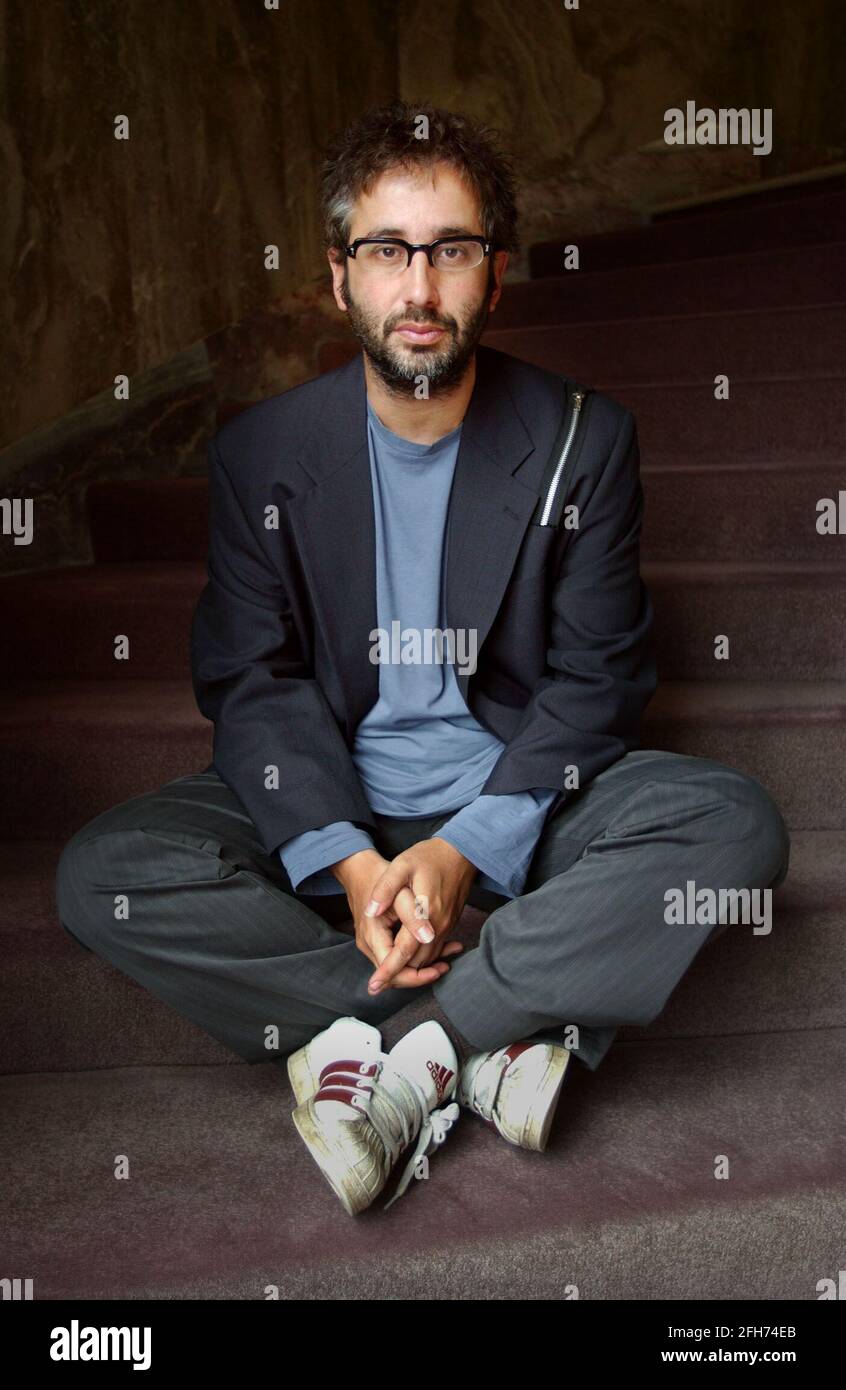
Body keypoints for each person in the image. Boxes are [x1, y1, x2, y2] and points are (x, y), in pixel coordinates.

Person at [55, 100, 791, 1217]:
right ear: (338, 275)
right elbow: (253, 680)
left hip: (518, 793)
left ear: (496, 275)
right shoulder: (261, 453)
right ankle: (482, 1039)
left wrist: (463, 849)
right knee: (104, 872)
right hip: (335, 791)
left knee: (735, 826)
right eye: (387, 251)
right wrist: (351, 861)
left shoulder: (585, 437)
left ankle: (423, 1046)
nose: (419, 286)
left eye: (451, 250)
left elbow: (598, 680)